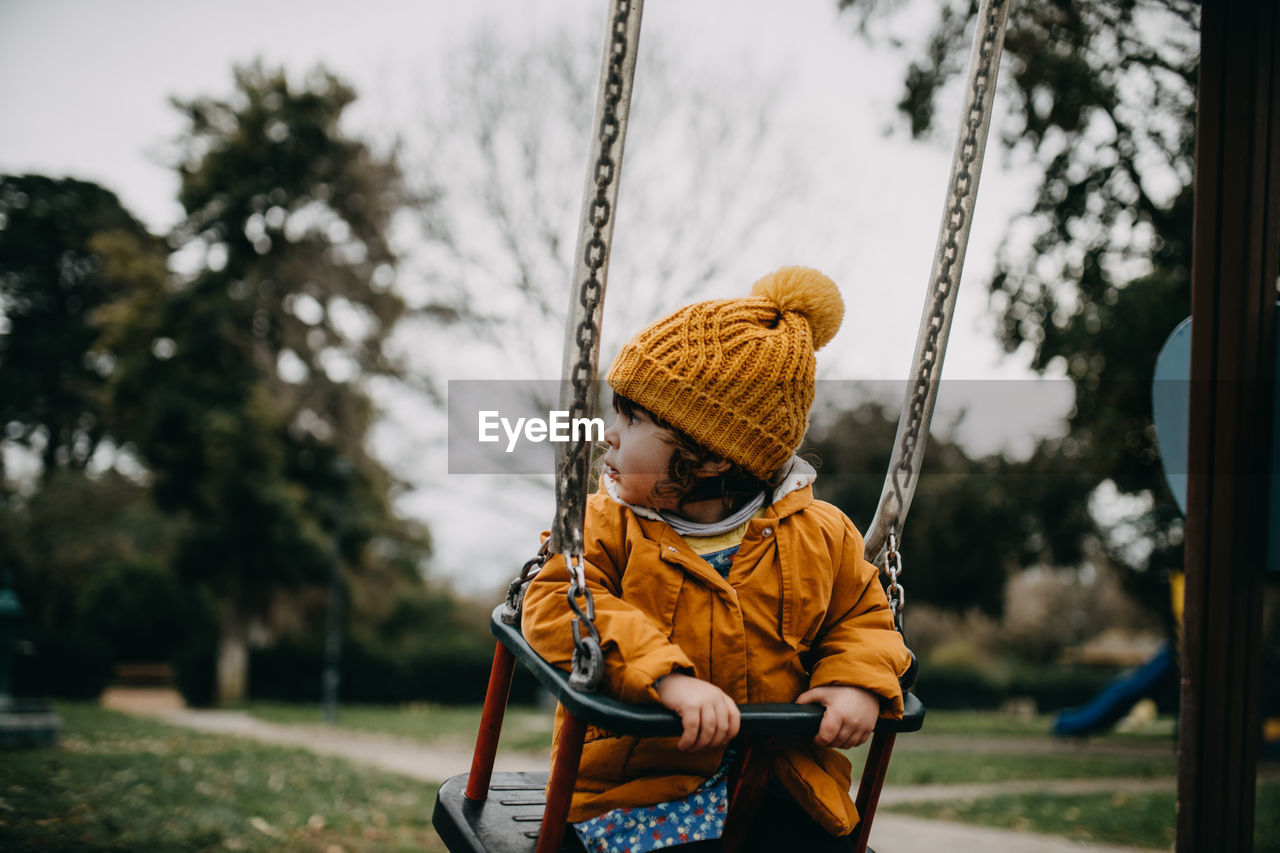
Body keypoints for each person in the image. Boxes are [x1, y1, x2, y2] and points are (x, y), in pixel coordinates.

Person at [522, 266, 913, 852]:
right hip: (636, 795)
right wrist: (667, 679)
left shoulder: (821, 534)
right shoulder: (602, 526)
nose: (609, 434)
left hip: (782, 783)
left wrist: (856, 684)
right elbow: (559, 603)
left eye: (632, 419)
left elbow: (862, 619)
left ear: (710, 457)